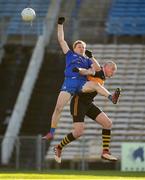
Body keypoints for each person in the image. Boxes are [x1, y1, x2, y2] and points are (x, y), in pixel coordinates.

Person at [43, 17, 120, 140]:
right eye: (79, 46)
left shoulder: (87, 60)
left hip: (81, 83)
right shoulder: (70, 54)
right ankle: (51, 132)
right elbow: (61, 39)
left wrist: (90, 62)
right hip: (69, 83)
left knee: (95, 85)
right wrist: (60, 24)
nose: (82, 48)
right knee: (58, 108)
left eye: (83, 47)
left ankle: (112, 97)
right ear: (74, 48)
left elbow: (96, 70)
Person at [53, 62, 120, 163]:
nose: (113, 72)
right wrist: (80, 69)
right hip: (78, 102)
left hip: (88, 104)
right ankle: (58, 147)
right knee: (78, 132)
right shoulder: (98, 70)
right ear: (105, 67)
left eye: (115, 70)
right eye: (112, 69)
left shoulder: (102, 77)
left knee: (108, 123)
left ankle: (105, 152)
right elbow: (89, 70)